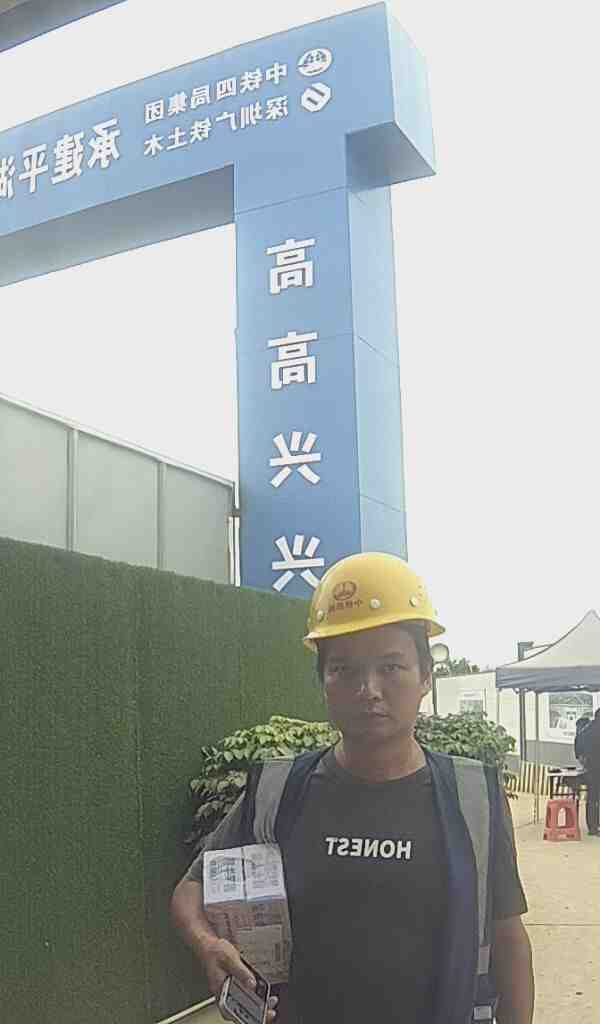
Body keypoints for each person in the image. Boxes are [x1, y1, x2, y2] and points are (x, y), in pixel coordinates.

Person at [171, 552, 534, 1024]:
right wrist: (208, 945)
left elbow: (508, 941)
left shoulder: (472, 798)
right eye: (344, 670)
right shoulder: (279, 792)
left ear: (426, 676)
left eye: (391, 667)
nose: (369, 690)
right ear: (322, 681)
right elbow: (190, 890)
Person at [580, 708, 600, 836]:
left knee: (592, 798)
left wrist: (585, 762)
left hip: (590, 770)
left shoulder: (586, 730)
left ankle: (592, 827)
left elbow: (579, 750)